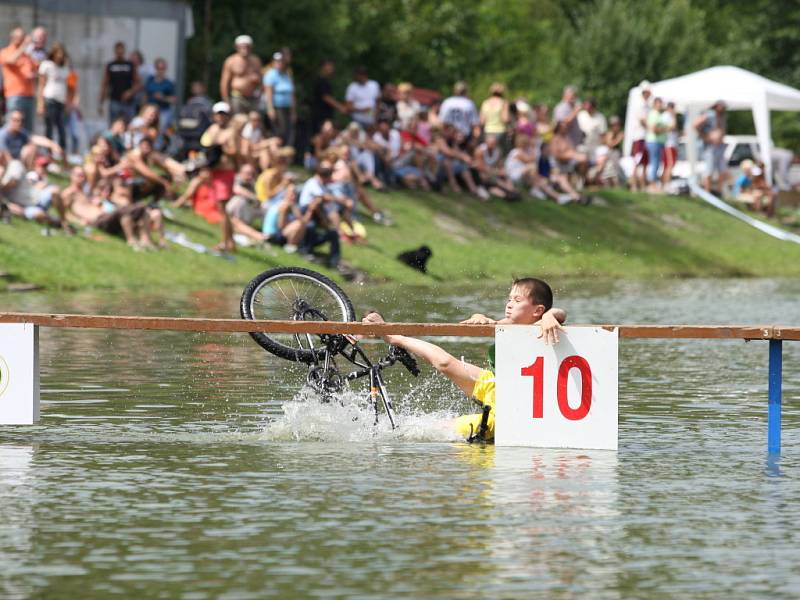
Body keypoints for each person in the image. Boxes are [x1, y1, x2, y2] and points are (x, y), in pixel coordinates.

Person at [362, 278, 566, 442]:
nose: (509, 305)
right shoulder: (508, 324)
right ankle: (394, 337)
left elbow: (561, 313)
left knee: (433, 432)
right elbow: (493, 323)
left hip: (507, 411)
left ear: (537, 310)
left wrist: (551, 315)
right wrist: (481, 317)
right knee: (444, 362)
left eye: (517, 301)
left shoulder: (544, 324)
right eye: (509, 299)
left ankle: (399, 433)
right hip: (494, 385)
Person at [200, 101, 241, 252]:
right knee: (222, 209)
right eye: (219, 114)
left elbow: (235, 152)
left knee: (223, 209)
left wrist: (222, 147)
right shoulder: (211, 129)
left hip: (225, 172)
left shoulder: (232, 131)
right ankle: (230, 242)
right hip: (214, 171)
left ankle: (225, 242)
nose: (221, 117)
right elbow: (205, 148)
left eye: (224, 114)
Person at [0, 149, 67, 229]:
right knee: (39, 215)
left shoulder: (14, 164)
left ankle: (64, 220)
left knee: (55, 191)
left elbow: (13, 183)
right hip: (23, 206)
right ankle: (56, 221)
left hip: (36, 197)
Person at [298, 160, 343, 267]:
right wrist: (342, 200)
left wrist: (325, 220)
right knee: (311, 226)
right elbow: (319, 200)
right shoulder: (312, 183)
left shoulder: (322, 185)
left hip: (318, 214)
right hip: (306, 211)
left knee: (333, 234)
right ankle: (304, 250)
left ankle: (335, 260)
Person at [0, 28, 38, 130]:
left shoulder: (27, 55)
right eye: (20, 37)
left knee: (28, 129)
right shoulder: (5, 52)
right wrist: (24, 46)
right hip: (14, 95)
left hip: (29, 96)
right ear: (12, 38)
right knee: (12, 126)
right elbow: (11, 61)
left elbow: (36, 68)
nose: (22, 40)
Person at [37, 42, 70, 150]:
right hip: (49, 98)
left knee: (62, 129)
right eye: (58, 53)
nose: (60, 56)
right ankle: (48, 153)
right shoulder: (46, 65)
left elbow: (68, 85)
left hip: (61, 100)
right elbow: (41, 85)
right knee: (49, 128)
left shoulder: (65, 67)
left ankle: (62, 153)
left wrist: (67, 102)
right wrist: (40, 103)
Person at [219, 35, 263, 115]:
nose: (244, 49)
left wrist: (258, 87)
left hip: (253, 98)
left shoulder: (256, 61)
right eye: (242, 47)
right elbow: (224, 82)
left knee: (254, 121)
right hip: (237, 97)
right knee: (238, 120)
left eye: (247, 47)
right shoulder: (231, 61)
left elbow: (261, 79)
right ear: (237, 47)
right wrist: (226, 100)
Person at [99, 41, 139, 125]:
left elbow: (138, 83)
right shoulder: (110, 65)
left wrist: (130, 92)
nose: (120, 52)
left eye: (121, 50)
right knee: (114, 125)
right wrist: (101, 103)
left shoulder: (130, 65)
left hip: (128, 102)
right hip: (115, 100)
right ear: (115, 51)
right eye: (118, 50)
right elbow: (105, 84)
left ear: (124, 51)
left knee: (129, 125)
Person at [693, 100, 728, 194]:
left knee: (723, 170)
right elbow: (695, 125)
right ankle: (707, 191)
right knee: (709, 170)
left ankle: (718, 192)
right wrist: (705, 136)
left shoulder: (722, 116)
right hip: (710, 147)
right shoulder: (709, 114)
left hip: (720, 147)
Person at [263, 51, 296, 147]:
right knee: (279, 130)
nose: (279, 63)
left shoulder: (287, 74)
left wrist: (293, 111)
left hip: (287, 106)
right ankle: (277, 152)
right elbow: (268, 93)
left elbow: (292, 93)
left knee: (287, 130)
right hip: (277, 106)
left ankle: (285, 153)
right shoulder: (270, 75)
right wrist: (270, 108)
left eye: (281, 61)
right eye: (276, 61)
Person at [310, 58, 347, 135]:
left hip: (325, 115)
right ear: (324, 66)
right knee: (321, 135)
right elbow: (326, 97)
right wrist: (340, 107)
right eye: (330, 66)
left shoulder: (326, 81)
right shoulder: (320, 80)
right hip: (320, 115)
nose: (332, 68)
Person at [629, 81, 652, 191]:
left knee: (644, 163)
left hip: (645, 137)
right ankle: (634, 185)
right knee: (637, 162)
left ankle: (642, 185)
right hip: (639, 136)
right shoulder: (640, 104)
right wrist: (653, 128)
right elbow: (643, 120)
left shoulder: (647, 105)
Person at [144, 57, 177, 134]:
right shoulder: (150, 80)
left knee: (160, 130)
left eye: (163, 68)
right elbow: (145, 95)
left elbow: (174, 100)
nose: (160, 70)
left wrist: (163, 98)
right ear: (155, 68)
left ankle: (158, 145)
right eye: (159, 68)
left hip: (163, 111)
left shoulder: (169, 83)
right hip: (150, 110)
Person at [645, 97, 667, 189]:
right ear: (655, 104)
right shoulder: (654, 114)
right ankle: (652, 184)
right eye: (659, 103)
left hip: (657, 142)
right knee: (654, 163)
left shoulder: (657, 114)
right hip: (654, 141)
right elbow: (654, 129)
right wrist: (665, 129)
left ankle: (653, 183)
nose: (660, 105)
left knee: (656, 163)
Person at [553, 85, 584, 149]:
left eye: (575, 96)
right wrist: (575, 112)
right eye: (572, 96)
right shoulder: (562, 107)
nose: (574, 98)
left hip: (573, 143)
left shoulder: (571, 107)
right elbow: (562, 124)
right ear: (565, 95)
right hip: (565, 145)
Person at [480, 83, 509, 147]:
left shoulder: (485, 103)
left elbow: (482, 121)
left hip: (488, 130)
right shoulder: (503, 103)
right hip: (500, 131)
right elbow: (505, 119)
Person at [661, 102, 679, 186]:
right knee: (670, 164)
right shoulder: (666, 116)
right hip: (668, 144)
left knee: (667, 165)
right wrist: (674, 116)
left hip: (671, 144)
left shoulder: (668, 116)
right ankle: (666, 184)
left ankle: (664, 184)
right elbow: (672, 127)